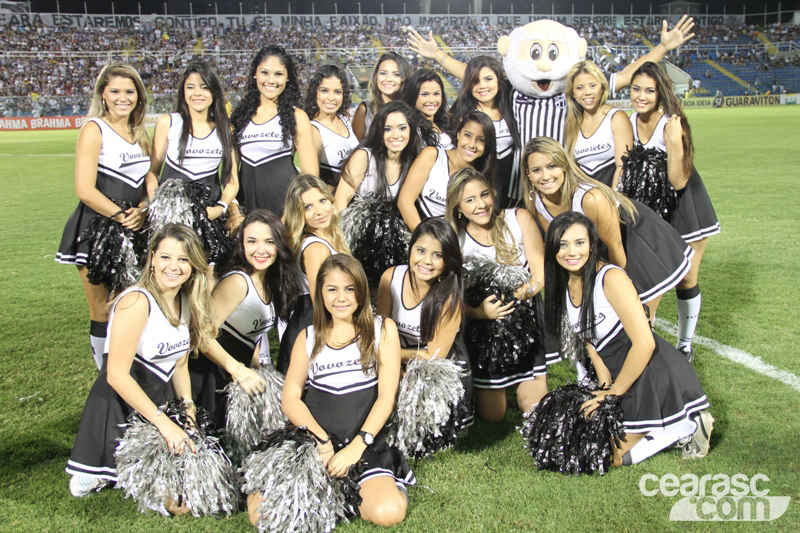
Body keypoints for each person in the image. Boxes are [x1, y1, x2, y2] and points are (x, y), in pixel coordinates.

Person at [249, 255, 414, 526]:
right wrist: (321, 443)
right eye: (332, 289)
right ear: (320, 293)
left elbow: (386, 396)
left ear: (361, 291)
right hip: (314, 443)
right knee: (260, 514)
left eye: (350, 289)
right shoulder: (308, 336)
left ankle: (365, 485)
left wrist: (356, 447)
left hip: (363, 444)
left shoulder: (382, 329)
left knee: (389, 513)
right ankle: (326, 490)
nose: (341, 297)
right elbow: (290, 397)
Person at [543, 212, 713, 465]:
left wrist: (613, 394)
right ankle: (665, 423)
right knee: (578, 440)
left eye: (579, 242)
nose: (572, 252)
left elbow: (645, 344)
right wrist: (602, 388)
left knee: (604, 457)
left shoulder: (611, 278)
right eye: (563, 244)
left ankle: (686, 425)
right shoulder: (564, 284)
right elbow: (592, 343)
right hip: (622, 377)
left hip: (652, 375)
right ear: (553, 249)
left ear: (592, 243)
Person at [67, 224, 217, 504]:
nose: (174, 266)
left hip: (159, 402)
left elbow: (180, 366)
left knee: (198, 481)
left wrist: (189, 411)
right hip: (120, 408)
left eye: (183, 259)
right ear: (151, 258)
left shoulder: (185, 300)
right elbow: (116, 376)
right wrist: (165, 425)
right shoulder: (136, 301)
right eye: (165, 257)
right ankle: (100, 467)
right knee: (178, 501)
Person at [522, 136, 693, 325]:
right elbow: (560, 250)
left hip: (633, 239)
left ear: (564, 166)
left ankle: (683, 347)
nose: (545, 176)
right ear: (528, 174)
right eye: (536, 170)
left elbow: (617, 246)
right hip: (596, 242)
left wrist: (621, 291)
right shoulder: (535, 202)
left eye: (552, 166)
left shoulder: (591, 199)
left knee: (636, 319)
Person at [56, 62, 151, 370]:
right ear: (103, 95)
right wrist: (123, 215)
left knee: (130, 304)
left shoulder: (141, 133)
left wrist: (143, 210)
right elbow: (84, 189)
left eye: (129, 91)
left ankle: (128, 367)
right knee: (101, 308)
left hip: (133, 227)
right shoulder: (94, 129)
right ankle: (106, 376)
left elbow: (150, 181)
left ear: (138, 95)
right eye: (115, 91)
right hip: (96, 229)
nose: (123, 97)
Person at [628, 61, 720, 361]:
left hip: (683, 206)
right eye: (636, 89)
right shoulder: (628, 122)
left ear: (661, 92)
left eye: (649, 90)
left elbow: (678, 179)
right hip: (648, 207)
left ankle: (685, 344)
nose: (641, 96)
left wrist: (674, 141)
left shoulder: (671, 124)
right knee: (645, 278)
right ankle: (642, 342)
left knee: (687, 277)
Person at [445, 167, 548, 421]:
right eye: (470, 200)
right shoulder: (455, 240)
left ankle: (523, 379)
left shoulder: (519, 218)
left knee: (534, 409)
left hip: (526, 324)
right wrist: (479, 313)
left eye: (484, 195)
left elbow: (540, 274)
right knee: (493, 416)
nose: (481, 205)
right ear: (458, 207)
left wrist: (519, 298)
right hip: (483, 332)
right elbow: (448, 299)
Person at [189, 210, 298, 427]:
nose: (261, 250)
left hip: (233, 377)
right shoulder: (238, 282)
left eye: (269, 241)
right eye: (252, 241)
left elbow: (250, 336)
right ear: (242, 245)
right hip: (210, 377)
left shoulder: (270, 282)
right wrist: (238, 371)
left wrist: (260, 372)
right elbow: (201, 336)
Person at [376, 217, 473, 426]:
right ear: (411, 250)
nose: (426, 261)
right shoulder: (391, 277)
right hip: (395, 354)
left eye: (437, 255)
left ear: (448, 260)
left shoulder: (449, 299)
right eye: (420, 251)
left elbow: (433, 357)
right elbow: (380, 331)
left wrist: (393, 359)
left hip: (433, 367)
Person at [145, 60, 240, 271]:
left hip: (208, 218)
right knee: (170, 274)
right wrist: (158, 203)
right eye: (190, 87)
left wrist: (220, 208)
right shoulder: (168, 123)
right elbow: (152, 172)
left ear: (214, 92)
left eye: (204, 87)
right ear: (183, 92)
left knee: (208, 276)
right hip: (171, 219)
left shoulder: (225, 129)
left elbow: (232, 180)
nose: (197, 93)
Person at [334, 101, 422, 285]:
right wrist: (342, 246)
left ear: (411, 131)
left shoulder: (413, 161)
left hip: (392, 243)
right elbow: (340, 203)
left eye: (402, 128)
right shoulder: (365, 157)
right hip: (359, 241)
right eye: (387, 129)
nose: (395, 135)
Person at [230, 45, 318, 216]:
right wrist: (234, 211)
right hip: (248, 210)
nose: (271, 80)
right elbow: (230, 175)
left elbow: (310, 177)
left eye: (278, 74)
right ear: (254, 73)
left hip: (286, 211)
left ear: (287, 78)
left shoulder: (296, 116)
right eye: (264, 73)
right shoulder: (238, 118)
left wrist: (291, 217)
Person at [277, 175, 350, 374]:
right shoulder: (315, 248)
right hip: (314, 325)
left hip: (316, 323)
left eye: (322, 201)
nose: (319, 211)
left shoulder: (328, 237)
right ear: (298, 213)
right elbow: (321, 301)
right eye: (307, 207)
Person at [398, 111, 497, 231]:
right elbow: (405, 201)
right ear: (458, 134)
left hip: (451, 239)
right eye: (467, 135)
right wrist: (424, 239)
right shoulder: (432, 155)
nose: (472, 144)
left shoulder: (481, 177)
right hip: (417, 234)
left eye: (481, 139)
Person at [449, 55, 520, 208]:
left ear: (499, 81)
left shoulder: (510, 105)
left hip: (511, 188)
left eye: (488, 79)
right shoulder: (466, 115)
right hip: (480, 187)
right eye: (475, 81)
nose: (482, 86)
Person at [564, 60, 633, 189]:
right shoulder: (572, 124)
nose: (587, 92)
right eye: (580, 88)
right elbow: (574, 173)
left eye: (592, 85)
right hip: (584, 200)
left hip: (613, 198)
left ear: (602, 88)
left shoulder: (616, 118)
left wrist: (615, 202)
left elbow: (622, 167)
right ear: (572, 93)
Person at [303, 64, 358, 188]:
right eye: (324, 91)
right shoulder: (313, 129)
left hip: (356, 200)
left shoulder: (344, 120)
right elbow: (312, 182)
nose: (331, 98)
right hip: (335, 202)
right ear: (315, 92)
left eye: (337, 92)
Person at [352, 51, 412, 141]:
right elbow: (355, 148)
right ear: (376, 76)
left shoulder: (413, 110)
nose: (388, 79)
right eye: (383, 73)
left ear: (404, 78)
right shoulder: (365, 109)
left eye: (396, 74)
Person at [400, 68, 453, 149]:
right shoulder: (411, 129)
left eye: (436, 94)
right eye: (425, 94)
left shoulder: (445, 122)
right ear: (413, 96)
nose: (432, 100)